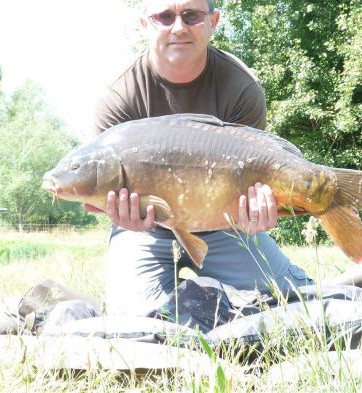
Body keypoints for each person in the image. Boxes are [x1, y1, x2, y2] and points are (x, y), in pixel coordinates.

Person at [88, 0, 313, 316]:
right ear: (145, 24)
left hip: (224, 225)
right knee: (134, 318)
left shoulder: (241, 87)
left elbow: (257, 172)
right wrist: (122, 216)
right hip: (144, 229)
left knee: (291, 301)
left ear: (214, 22)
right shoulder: (118, 95)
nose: (178, 28)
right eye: (164, 17)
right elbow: (105, 186)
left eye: (191, 16)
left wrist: (256, 211)